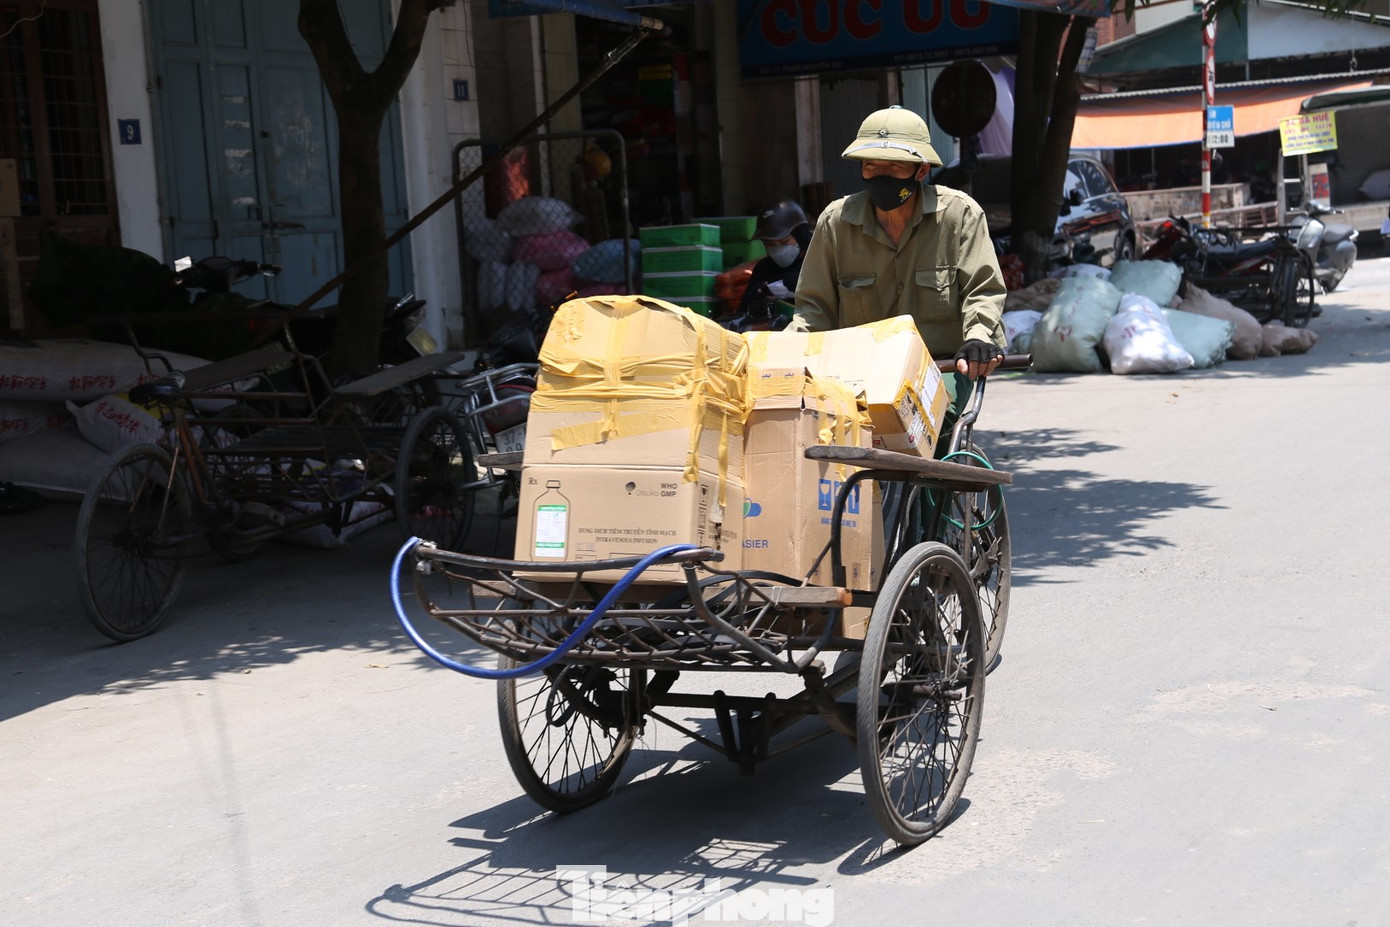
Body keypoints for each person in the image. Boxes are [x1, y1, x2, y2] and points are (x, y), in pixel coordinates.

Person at [792, 104, 1007, 391]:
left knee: (929, 430)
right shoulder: (835, 222)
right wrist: (784, 350)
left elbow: (983, 291)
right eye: (871, 165)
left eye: (895, 166)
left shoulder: (960, 215)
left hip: (941, 368)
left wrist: (978, 337)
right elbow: (813, 310)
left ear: (921, 171)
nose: (882, 175)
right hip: (859, 372)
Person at [735, 198, 813, 322]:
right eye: (769, 244)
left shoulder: (820, 260)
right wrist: (758, 304)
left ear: (800, 236)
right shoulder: (764, 269)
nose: (777, 249)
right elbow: (743, 313)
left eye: (784, 242)